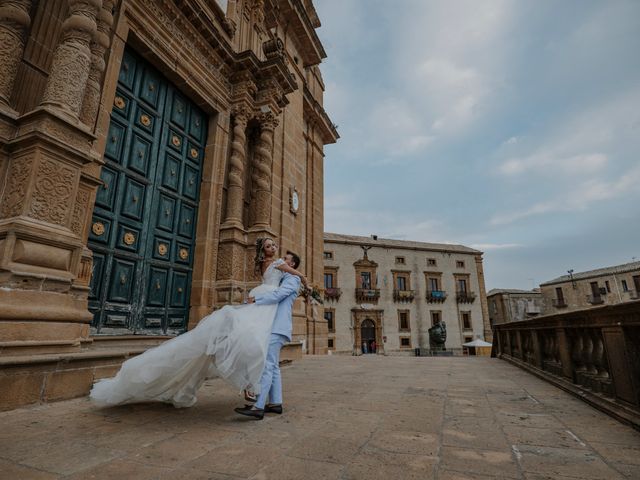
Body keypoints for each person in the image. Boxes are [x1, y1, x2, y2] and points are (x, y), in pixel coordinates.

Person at [89, 237, 307, 408]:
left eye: (275, 245)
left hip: (263, 303)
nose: (275, 248)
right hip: (263, 303)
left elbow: (283, 283)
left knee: (254, 346)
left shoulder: (267, 266)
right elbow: (292, 276)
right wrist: (305, 279)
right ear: (264, 251)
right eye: (270, 246)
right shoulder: (278, 265)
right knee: (254, 347)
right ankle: (260, 395)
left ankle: (258, 393)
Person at [234, 251, 302, 420]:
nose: (282, 261)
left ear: (292, 265)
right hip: (277, 326)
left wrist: (256, 300)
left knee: (267, 365)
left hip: (278, 327)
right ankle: (276, 403)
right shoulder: (284, 279)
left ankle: (258, 407)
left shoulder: (293, 279)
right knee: (274, 367)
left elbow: (278, 296)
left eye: (286, 259)